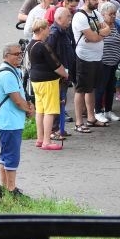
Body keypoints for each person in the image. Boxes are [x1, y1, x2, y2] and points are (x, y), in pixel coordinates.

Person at [0, 43, 34, 197]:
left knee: (5, 154)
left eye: (21, 54)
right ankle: (11, 189)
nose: (19, 57)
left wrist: (29, 104)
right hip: (9, 122)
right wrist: (29, 110)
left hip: (8, 121)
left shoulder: (12, 71)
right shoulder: (7, 74)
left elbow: (21, 94)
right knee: (12, 156)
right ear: (6, 56)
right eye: (16, 54)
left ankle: (4, 186)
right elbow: (16, 99)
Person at [72, 0, 111, 132]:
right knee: (81, 89)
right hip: (84, 57)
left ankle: (91, 117)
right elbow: (92, 37)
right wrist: (99, 35)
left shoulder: (96, 13)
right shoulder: (80, 16)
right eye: (94, 0)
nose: (97, 2)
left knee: (91, 88)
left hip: (97, 56)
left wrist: (97, 34)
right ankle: (78, 122)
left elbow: (108, 29)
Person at [28, 18, 69, 150]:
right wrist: (65, 74)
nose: (49, 31)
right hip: (48, 81)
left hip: (36, 81)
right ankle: (47, 141)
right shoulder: (43, 46)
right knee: (50, 111)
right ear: (41, 30)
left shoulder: (31, 44)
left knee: (40, 110)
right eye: (47, 28)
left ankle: (40, 139)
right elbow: (55, 65)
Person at [46, 7, 75, 140]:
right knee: (56, 101)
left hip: (65, 73)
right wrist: (59, 70)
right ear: (58, 19)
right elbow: (50, 55)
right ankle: (54, 130)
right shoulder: (54, 33)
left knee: (62, 101)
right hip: (57, 74)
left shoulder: (64, 31)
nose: (70, 19)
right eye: (68, 17)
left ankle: (60, 128)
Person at [93, 1, 120, 123]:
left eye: (114, 14)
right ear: (103, 14)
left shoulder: (117, 25)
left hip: (114, 61)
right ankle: (98, 111)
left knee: (111, 88)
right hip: (103, 62)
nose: (113, 16)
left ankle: (108, 111)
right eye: (110, 14)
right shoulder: (99, 26)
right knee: (101, 88)